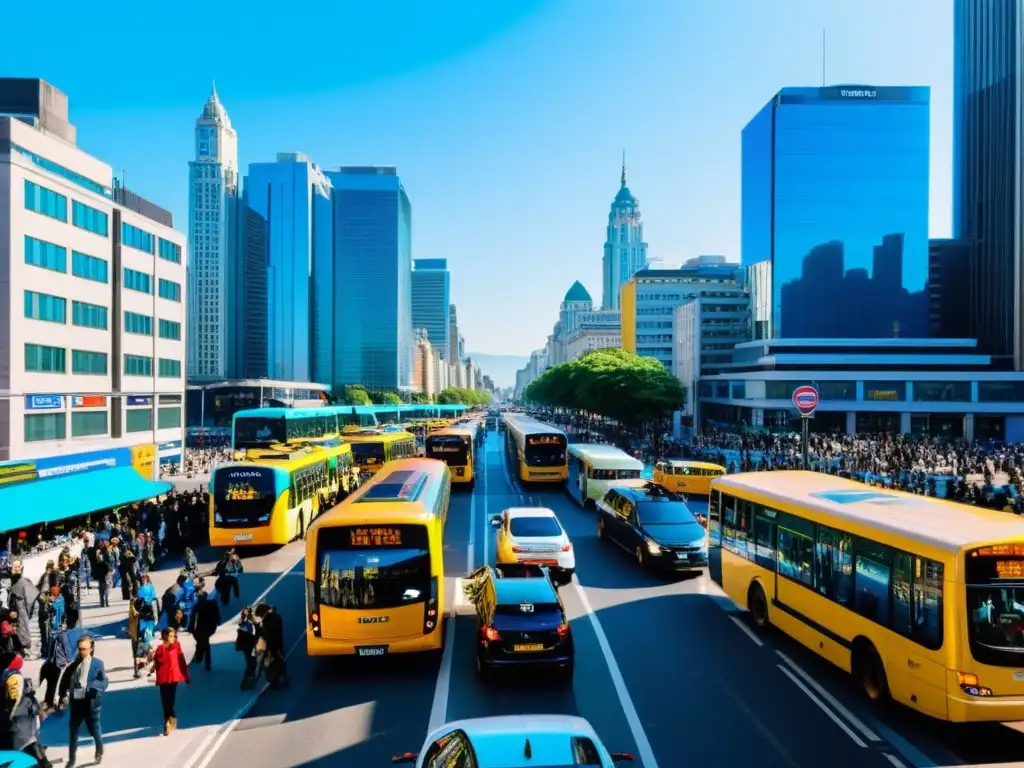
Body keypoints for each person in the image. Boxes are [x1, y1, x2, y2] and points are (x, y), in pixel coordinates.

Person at [59, 635, 109, 768]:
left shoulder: (98, 663)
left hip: (91, 701)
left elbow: (104, 681)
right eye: (80, 649)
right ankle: (72, 759)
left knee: (94, 729)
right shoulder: (74, 665)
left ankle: (99, 747)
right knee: (73, 730)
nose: (81, 652)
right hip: (77, 699)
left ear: (91, 649)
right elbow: (64, 681)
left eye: (84, 649)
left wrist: (94, 688)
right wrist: (61, 695)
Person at [1, 652, 49, 767]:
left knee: (25, 745)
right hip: (17, 719)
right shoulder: (9, 674)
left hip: (19, 719)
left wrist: (10, 717)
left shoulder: (13, 677)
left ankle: (43, 763)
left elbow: (16, 699)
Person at [149, 627, 190, 736]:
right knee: (164, 702)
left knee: (170, 702)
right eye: (170, 636)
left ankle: (169, 723)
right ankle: (169, 722)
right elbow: (157, 664)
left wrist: (186, 676)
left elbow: (182, 662)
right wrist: (154, 671)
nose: (173, 638)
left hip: (173, 678)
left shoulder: (176, 647)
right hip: (163, 679)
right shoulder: (159, 649)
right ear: (165, 637)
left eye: (173, 635)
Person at [39, 620, 72, 713]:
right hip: (56, 663)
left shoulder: (58, 635)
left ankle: (58, 701)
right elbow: (62, 648)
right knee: (55, 684)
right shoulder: (57, 635)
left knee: (56, 684)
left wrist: (68, 660)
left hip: (57, 662)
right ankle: (55, 702)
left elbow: (66, 647)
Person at [7, 560, 36, 659]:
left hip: (21, 608)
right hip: (11, 608)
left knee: (22, 627)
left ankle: (26, 650)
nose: (15, 569)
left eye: (18, 567)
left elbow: (30, 597)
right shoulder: (9, 581)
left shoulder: (24, 581)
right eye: (14, 567)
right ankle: (16, 650)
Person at [189, 591, 221, 671]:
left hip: (202, 627)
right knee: (202, 641)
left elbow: (193, 617)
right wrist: (218, 622)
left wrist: (191, 627)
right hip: (211, 627)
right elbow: (217, 614)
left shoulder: (198, 605)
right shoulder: (212, 604)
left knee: (203, 643)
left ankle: (202, 659)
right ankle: (201, 658)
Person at [235, 607, 257, 690]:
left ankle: (248, 682)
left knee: (250, 663)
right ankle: (246, 683)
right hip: (249, 646)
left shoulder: (243, 623)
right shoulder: (248, 624)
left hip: (246, 646)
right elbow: (252, 634)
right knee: (251, 664)